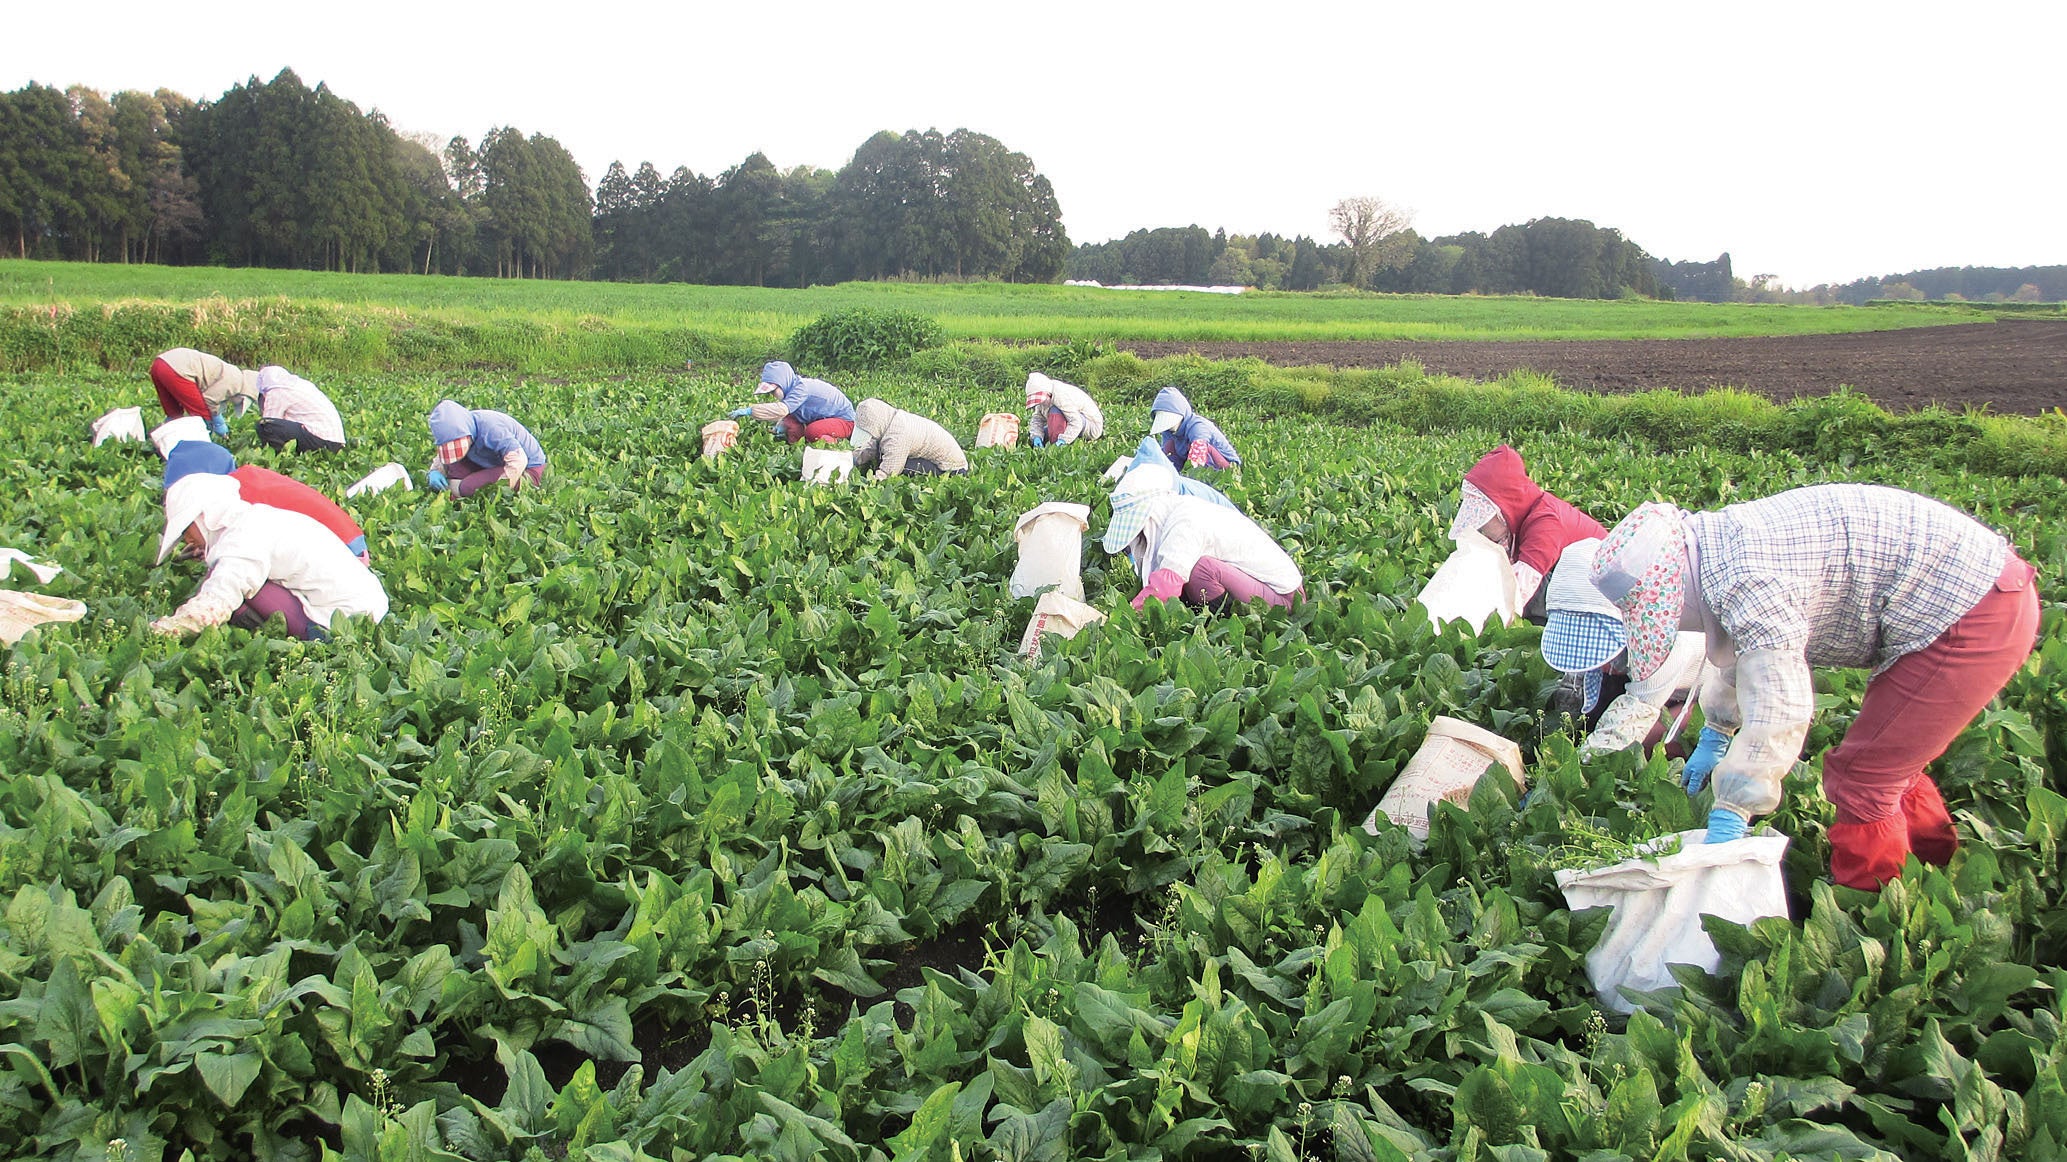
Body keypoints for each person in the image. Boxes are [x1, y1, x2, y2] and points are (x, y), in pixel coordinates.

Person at [1590, 485, 2040, 889]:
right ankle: (1932, 868)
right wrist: (1716, 733)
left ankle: (1871, 902)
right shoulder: (1717, 547)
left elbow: (1779, 711)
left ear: (1675, 589)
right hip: (1970, 593)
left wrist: (1732, 812)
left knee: (1865, 777)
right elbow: (1743, 653)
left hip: (1972, 613)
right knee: (1891, 754)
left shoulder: (1750, 583)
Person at [151, 474, 389, 641]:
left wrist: (163, 632)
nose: (186, 540)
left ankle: (301, 639)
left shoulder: (242, 538)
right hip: (371, 609)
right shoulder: (258, 516)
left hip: (343, 624)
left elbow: (214, 606)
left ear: (202, 518)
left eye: (185, 530)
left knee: (239, 593)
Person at [1540, 539, 1707, 760]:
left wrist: (1580, 767)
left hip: (1705, 694)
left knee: (1646, 743)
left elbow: (1629, 722)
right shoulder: (1630, 629)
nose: (1602, 662)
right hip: (1649, 679)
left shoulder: (1670, 641)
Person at [1103, 461, 1301, 613]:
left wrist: (1127, 614)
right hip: (1257, 585)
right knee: (1191, 572)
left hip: (1284, 599)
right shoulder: (1179, 508)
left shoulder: (1185, 520)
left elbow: (1167, 582)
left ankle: (1220, 619)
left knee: (1201, 571)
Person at [1449, 444, 1605, 619]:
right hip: (1575, 584)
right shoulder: (1523, 516)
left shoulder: (1545, 523)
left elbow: (1519, 589)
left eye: (1484, 520)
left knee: (1531, 597)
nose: (1482, 528)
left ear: (1503, 510)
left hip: (1596, 597)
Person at [162, 441, 369, 562]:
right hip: (351, 540)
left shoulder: (239, 497)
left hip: (342, 554)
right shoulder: (247, 478)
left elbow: (242, 551)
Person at [425, 400, 547, 496]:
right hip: (490, 461)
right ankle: (457, 489)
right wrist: (434, 471)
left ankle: (458, 492)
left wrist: (499, 487)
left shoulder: (492, 429)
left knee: (467, 487)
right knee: (454, 470)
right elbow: (444, 452)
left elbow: (519, 461)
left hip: (526, 469)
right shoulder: (460, 428)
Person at [731, 361, 856, 445]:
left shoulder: (801, 388)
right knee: (790, 422)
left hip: (844, 421)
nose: (773, 395)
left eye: (774, 391)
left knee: (813, 431)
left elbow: (781, 410)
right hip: (822, 418)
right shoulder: (792, 388)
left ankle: (836, 445)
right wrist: (781, 425)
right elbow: (787, 413)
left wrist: (750, 411)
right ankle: (799, 446)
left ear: (783, 382)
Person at [850, 399, 969, 478]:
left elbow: (889, 471)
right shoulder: (890, 421)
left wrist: (869, 485)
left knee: (894, 464)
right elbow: (872, 446)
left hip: (952, 469)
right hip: (940, 461)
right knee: (880, 453)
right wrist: (851, 459)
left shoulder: (897, 435)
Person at [149, 348, 259, 433]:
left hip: (160, 363)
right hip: (177, 369)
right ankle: (200, 446)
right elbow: (209, 400)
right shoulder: (236, 381)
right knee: (201, 416)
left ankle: (161, 440)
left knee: (174, 414)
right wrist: (216, 421)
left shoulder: (232, 373)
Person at [254, 366, 347, 452]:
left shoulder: (276, 391)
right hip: (336, 442)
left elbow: (269, 421)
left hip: (321, 441)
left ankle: (276, 455)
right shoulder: (301, 384)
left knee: (264, 426)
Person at [1148, 387, 1240, 471]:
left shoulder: (1197, 425)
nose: (1168, 426)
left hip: (1225, 467)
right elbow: (1167, 455)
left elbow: (1198, 455)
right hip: (1190, 462)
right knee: (1169, 447)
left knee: (1198, 446)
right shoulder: (1168, 431)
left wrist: (1192, 478)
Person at [1025, 372, 1104, 448]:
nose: (1040, 403)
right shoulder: (1043, 400)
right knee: (1041, 434)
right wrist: (1036, 436)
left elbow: (1076, 422)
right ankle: (1054, 441)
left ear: (1048, 394)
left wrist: (1063, 440)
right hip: (1069, 422)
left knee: (1055, 411)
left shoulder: (1061, 396)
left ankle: (1057, 447)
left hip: (1091, 426)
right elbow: (1037, 419)